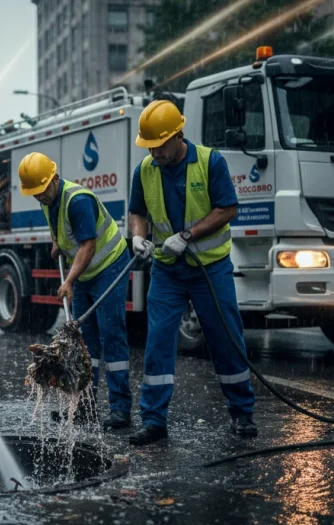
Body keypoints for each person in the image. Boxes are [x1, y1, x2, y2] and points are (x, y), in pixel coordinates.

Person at [127, 100, 256, 446]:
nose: (154, 153)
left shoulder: (210, 162)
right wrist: (138, 237)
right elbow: (136, 211)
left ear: (179, 135)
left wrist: (187, 236)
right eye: (149, 146)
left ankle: (242, 414)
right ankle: (154, 421)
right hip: (167, 271)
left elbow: (227, 208)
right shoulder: (145, 169)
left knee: (226, 337)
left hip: (210, 268)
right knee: (157, 342)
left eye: (160, 145)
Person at [18, 152, 132, 428]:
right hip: (86, 272)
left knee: (111, 334)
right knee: (83, 342)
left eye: (42, 191)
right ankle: (84, 407)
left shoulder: (78, 200)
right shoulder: (48, 198)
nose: (39, 197)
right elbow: (60, 228)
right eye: (34, 193)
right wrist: (56, 241)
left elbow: (88, 246)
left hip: (109, 266)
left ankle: (120, 409)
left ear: (55, 179)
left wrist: (68, 281)